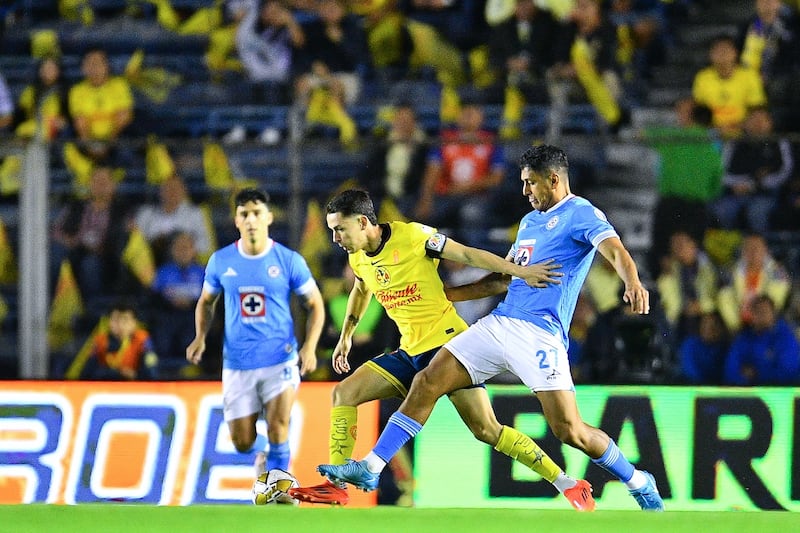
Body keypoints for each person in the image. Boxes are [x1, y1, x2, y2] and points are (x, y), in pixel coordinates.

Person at [317, 145, 665, 511]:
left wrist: (632, 281)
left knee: (570, 431)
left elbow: (615, 249)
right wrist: (445, 294)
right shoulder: (529, 223)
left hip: (540, 334)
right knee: (427, 381)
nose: (525, 192)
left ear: (554, 179)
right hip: (499, 323)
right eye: (523, 184)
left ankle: (638, 480)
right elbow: (502, 281)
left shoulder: (581, 213)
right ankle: (371, 467)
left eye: (531, 184)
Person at [289, 188, 595, 511]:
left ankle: (567, 482)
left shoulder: (413, 236)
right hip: (410, 350)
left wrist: (520, 272)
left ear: (363, 222)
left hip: (451, 346)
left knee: (488, 430)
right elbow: (361, 288)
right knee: (344, 393)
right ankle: (335, 487)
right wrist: (346, 335)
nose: (335, 238)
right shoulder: (357, 256)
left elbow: (466, 255)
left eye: (340, 229)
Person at [185, 188, 325, 477]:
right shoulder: (221, 261)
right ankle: (271, 454)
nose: (251, 219)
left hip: (280, 359)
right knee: (241, 441)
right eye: (244, 214)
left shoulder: (288, 260)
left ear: (269, 217)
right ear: (236, 220)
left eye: (256, 213)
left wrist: (309, 347)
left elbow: (315, 305)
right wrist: (200, 336)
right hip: (237, 363)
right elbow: (206, 302)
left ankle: (277, 487)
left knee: (278, 425)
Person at [150, 231, 205, 378]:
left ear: (194, 250)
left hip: (194, 317)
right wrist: (170, 302)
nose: (183, 251)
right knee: (162, 339)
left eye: (187, 247)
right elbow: (153, 298)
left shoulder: (203, 273)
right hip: (168, 315)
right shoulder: (162, 272)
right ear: (172, 251)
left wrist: (191, 303)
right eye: (179, 247)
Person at [692, 34, 767, 138]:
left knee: (762, 119)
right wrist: (716, 127)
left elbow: (757, 108)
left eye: (726, 50)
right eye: (717, 50)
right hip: (712, 129)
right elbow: (700, 108)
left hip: (743, 128)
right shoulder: (703, 77)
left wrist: (737, 126)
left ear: (735, 53)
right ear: (710, 55)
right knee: (686, 109)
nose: (722, 54)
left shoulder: (749, 75)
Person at [722, 294, 800, 385]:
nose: (761, 315)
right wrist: (744, 378)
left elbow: (788, 372)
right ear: (751, 314)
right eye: (757, 311)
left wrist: (756, 373)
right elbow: (729, 372)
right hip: (747, 394)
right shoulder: (742, 339)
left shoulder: (787, 337)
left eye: (765, 311)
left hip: (780, 395)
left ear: (773, 313)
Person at [78, 300, 159, 381]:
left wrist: (135, 375)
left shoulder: (142, 339)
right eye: (116, 320)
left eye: (125, 320)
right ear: (109, 322)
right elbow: (87, 373)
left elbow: (151, 372)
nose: (120, 325)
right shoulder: (100, 341)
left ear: (134, 323)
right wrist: (118, 373)